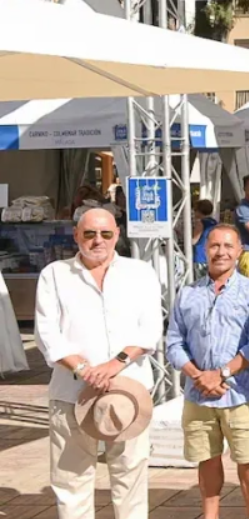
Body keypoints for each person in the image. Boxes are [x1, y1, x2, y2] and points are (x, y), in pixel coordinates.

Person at [34, 209, 162, 518]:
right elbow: (47, 334)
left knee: (130, 475)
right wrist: (84, 370)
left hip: (129, 394)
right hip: (71, 391)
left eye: (105, 234)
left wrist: (114, 365)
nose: (97, 241)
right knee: (71, 480)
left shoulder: (140, 272)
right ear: (76, 235)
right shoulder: (54, 274)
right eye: (89, 234)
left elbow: (151, 330)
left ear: (117, 234)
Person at [165, 225, 249, 519]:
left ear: (239, 252)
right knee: (206, 458)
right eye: (214, 246)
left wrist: (220, 374)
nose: (221, 252)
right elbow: (173, 341)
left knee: (248, 458)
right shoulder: (187, 294)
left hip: (239, 392)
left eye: (228, 246)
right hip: (198, 394)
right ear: (204, 251)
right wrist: (198, 375)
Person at [191, 199, 218, 280]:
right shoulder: (214, 222)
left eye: (195, 210)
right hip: (211, 255)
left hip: (200, 256)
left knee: (200, 282)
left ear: (199, 211)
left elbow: (194, 240)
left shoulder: (200, 223)